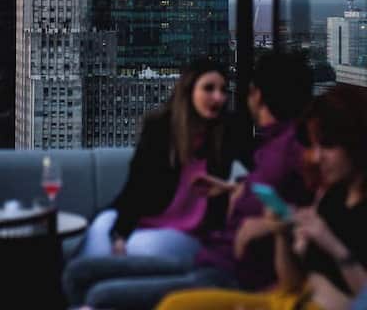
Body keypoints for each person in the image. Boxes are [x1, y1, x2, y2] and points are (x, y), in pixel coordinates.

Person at [66, 50, 313, 310]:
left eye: (223, 90)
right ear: (189, 90)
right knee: (80, 269)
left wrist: (262, 219)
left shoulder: (240, 136)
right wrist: (120, 235)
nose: (218, 97)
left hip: (203, 247)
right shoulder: (161, 129)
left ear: (257, 95)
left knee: (102, 292)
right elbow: (135, 190)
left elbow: (289, 196)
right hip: (196, 246)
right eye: (209, 88)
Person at [155, 83, 367, 310]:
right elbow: (291, 281)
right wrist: (281, 235)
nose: (316, 157)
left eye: (327, 146)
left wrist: (330, 243)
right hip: (289, 298)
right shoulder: (331, 195)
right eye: (315, 146)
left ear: (355, 143)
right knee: (174, 304)